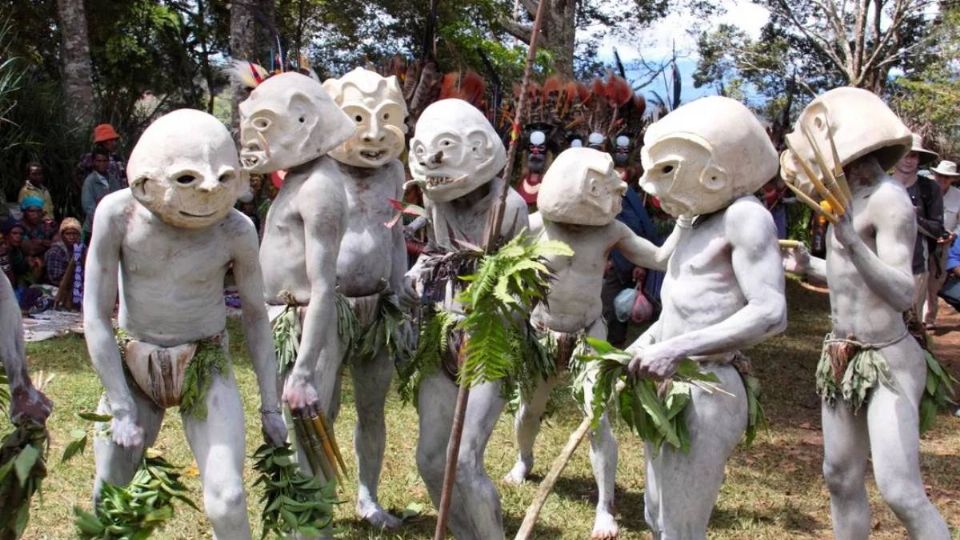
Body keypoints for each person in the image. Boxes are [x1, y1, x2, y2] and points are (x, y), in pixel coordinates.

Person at [84, 109, 286, 539]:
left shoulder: (236, 229)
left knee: (228, 499)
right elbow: (95, 314)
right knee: (110, 500)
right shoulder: (117, 214)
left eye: (222, 180)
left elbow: (255, 315)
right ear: (145, 182)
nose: (208, 193)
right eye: (187, 180)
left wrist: (271, 405)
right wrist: (120, 404)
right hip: (134, 360)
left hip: (204, 360)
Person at [782, 87, 950, 539]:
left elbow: (899, 292)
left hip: (888, 358)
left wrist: (852, 243)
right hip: (841, 357)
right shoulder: (844, 201)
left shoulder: (890, 200)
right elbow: (850, 278)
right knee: (839, 477)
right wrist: (808, 265)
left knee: (899, 490)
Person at [626, 96, 786, 538]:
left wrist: (677, 348)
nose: (650, 186)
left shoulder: (745, 217)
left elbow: (772, 312)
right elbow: (686, 307)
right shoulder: (697, 222)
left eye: (666, 171)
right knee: (656, 515)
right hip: (668, 386)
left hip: (708, 388)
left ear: (715, 171)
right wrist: (647, 342)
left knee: (680, 528)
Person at [892, 134, 943, 318]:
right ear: (896, 156)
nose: (908, 159)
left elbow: (937, 229)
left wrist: (913, 217)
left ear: (919, 159)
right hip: (880, 267)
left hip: (916, 267)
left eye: (914, 155)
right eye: (905, 154)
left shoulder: (930, 189)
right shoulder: (879, 186)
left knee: (911, 324)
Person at [923, 160, 960, 328]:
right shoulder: (925, 190)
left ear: (952, 179)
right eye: (940, 176)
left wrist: (953, 235)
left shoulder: (958, 197)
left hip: (945, 244)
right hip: (923, 239)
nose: (942, 180)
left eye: (947, 177)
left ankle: (929, 319)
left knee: (935, 281)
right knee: (919, 277)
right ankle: (917, 319)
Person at [77, 123, 126, 191]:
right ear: (103, 142)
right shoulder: (89, 159)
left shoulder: (117, 160)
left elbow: (123, 180)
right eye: (111, 140)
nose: (114, 143)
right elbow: (77, 175)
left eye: (115, 140)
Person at [81, 147, 114, 237]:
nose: (102, 164)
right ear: (94, 162)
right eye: (99, 161)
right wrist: (103, 223)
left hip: (113, 228)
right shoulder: (89, 182)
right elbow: (88, 207)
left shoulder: (112, 179)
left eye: (104, 161)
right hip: (93, 230)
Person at [44, 217, 83, 285]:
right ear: (62, 235)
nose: (72, 237)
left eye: (75, 234)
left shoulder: (82, 249)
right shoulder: (56, 251)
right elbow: (56, 279)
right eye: (68, 234)